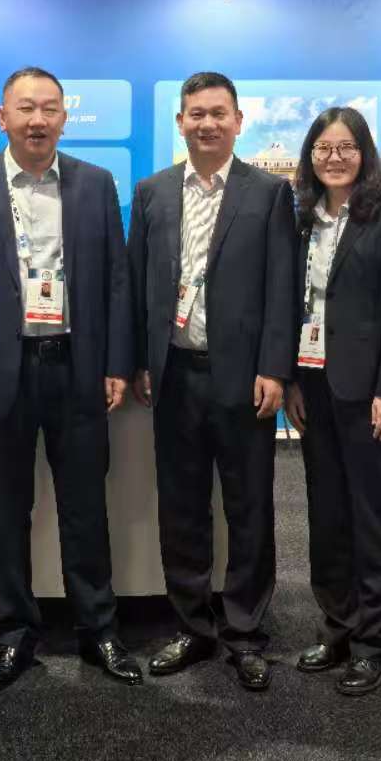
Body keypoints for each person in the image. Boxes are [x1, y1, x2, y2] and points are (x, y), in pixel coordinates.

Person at [0, 67, 139, 694]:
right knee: (7, 510)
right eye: (25, 108)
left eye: (49, 108)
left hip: (76, 367)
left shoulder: (94, 183)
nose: (38, 120)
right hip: (0, 371)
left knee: (85, 507)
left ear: (64, 118)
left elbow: (115, 280)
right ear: (3, 118)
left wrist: (116, 363)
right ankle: (15, 633)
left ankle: (98, 628)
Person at [127, 72, 296, 692]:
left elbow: (282, 286)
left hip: (245, 379)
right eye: (196, 113)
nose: (207, 123)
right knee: (182, 507)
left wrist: (274, 368)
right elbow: (136, 282)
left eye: (218, 113)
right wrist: (139, 360)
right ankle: (193, 626)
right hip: (174, 374)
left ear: (238, 121)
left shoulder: (269, 193)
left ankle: (246, 631)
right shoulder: (152, 192)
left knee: (249, 507)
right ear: (180, 122)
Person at [284, 107, 381, 697]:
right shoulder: (297, 217)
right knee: (326, 513)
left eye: (346, 147)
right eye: (323, 147)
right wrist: (290, 379)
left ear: (364, 154)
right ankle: (337, 626)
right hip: (312, 384)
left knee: (371, 517)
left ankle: (372, 643)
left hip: (369, 392)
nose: (334, 157)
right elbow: (287, 303)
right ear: (310, 155)